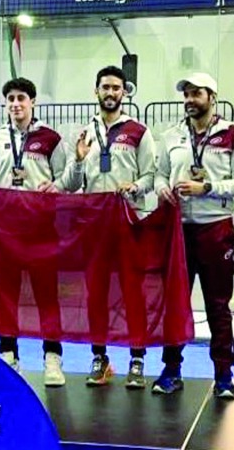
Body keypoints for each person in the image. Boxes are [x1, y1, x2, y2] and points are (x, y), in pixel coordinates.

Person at [152, 73, 234, 398]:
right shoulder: (171, 135)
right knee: (174, 303)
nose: (189, 100)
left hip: (216, 228)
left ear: (212, 96)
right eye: (186, 94)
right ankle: (171, 370)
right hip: (178, 229)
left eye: (196, 94)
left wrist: (206, 188)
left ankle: (224, 375)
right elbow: (158, 174)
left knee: (218, 306)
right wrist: (162, 188)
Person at [0, 77, 73, 387]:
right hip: (5, 230)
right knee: (7, 294)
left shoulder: (51, 138)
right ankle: (8, 355)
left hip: (42, 229)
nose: (15, 104)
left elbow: (64, 180)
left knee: (47, 296)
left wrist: (55, 186)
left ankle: (52, 359)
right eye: (10, 99)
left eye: (21, 98)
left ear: (33, 102)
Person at [64, 65, 156, 389]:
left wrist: (135, 187)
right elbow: (69, 183)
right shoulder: (83, 133)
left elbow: (151, 177)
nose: (111, 93)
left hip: (129, 220)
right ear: (96, 91)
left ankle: (137, 359)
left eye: (117, 88)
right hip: (94, 224)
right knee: (96, 295)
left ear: (124, 93)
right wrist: (77, 160)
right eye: (105, 87)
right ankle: (100, 358)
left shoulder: (139, 132)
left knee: (133, 292)